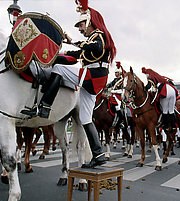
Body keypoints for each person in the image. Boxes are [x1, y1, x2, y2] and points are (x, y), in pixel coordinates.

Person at [21, 0, 116, 168]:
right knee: (85, 118)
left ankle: (44, 107)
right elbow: (74, 56)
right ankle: (98, 154)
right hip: (93, 77)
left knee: (58, 69)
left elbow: (95, 47)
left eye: (81, 25)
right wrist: (54, 55)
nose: (80, 29)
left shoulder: (99, 35)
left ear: (89, 22)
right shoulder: (91, 40)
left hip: (93, 76)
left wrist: (71, 41)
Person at [142, 67, 178, 132]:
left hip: (165, 91)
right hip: (172, 90)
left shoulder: (151, 77)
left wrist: (143, 89)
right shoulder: (160, 77)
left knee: (165, 110)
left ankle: (166, 126)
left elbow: (148, 86)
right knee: (171, 110)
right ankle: (173, 126)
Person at [106, 64, 126, 129]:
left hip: (119, 97)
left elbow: (123, 90)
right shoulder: (114, 80)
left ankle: (121, 121)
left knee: (118, 107)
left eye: (117, 72)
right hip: (113, 96)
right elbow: (109, 85)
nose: (116, 74)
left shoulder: (122, 81)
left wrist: (114, 91)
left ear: (120, 73)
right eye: (115, 72)